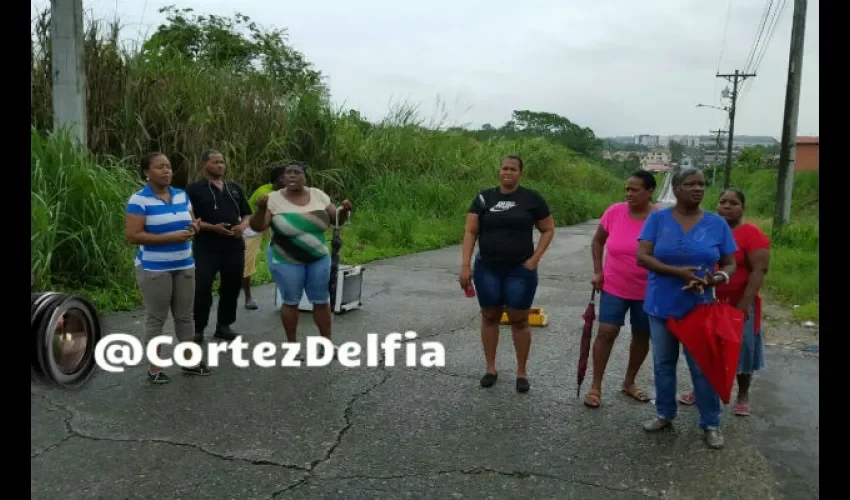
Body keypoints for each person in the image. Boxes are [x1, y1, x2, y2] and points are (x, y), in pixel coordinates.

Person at [636, 167, 737, 449]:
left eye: (702, 184)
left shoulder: (717, 224)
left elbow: (730, 263)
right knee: (663, 363)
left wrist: (715, 277)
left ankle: (710, 423)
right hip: (662, 305)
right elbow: (642, 257)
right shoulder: (658, 219)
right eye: (690, 184)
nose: (698, 189)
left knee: (703, 367)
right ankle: (665, 413)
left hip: (700, 306)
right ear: (676, 188)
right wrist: (677, 272)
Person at [459, 155, 555, 393]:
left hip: (519, 270)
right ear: (499, 171)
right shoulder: (484, 198)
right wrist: (465, 266)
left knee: (519, 320)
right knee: (490, 316)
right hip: (487, 269)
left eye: (513, 169)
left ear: (520, 173)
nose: (508, 172)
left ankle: (521, 373)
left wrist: (534, 260)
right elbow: (471, 232)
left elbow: (548, 229)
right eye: (504, 168)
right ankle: (490, 369)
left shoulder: (531, 198)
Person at [677, 188, 770, 417]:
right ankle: (701, 391)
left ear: (743, 208)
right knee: (706, 348)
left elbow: (759, 270)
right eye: (723, 202)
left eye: (733, 203)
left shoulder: (752, 234)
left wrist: (745, 304)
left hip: (739, 302)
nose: (727, 206)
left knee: (743, 349)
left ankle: (743, 395)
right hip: (707, 301)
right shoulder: (709, 230)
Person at [249, 161, 352, 356]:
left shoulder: (318, 195)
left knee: (321, 301)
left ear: (305, 176)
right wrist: (261, 209)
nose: (291, 176)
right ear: (282, 178)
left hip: (318, 257)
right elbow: (257, 226)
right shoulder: (272, 199)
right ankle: (292, 347)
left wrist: (344, 211)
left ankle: (327, 344)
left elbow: (335, 220)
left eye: (296, 172)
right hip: (285, 258)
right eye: (287, 173)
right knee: (291, 301)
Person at [124, 152, 211, 383]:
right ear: (146, 172)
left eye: (169, 167)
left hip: (184, 264)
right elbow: (133, 236)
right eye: (160, 167)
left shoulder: (181, 195)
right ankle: (155, 368)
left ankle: (190, 362)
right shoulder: (139, 200)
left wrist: (195, 227)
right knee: (156, 317)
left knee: (185, 316)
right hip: (154, 268)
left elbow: (192, 222)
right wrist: (170, 237)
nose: (167, 171)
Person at [584, 170, 657, 408]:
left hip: (648, 288)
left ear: (649, 192)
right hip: (615, 284)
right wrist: (598, 270)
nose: (628, 193)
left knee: (641, 334)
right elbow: (598, 240)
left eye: (634, 189)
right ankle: (596, 386)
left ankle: (629, 382)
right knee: (606, 330)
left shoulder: (660, 217)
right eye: (627, 188)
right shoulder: (615, 212)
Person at [185, 149, 253, 342]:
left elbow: (247, 214)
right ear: (204, 165)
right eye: (215, 162)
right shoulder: (194, 189)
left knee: (231, 285)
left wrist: (242, 226)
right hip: (207, 245)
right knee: (202, 286)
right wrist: (212, 227)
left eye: (222, 162)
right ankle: (197, 329)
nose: (220, 165)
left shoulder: (235, 188)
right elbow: (190, 218)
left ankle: (224, 325)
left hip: (233, 244)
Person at [241, 166, 284, 310]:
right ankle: (248, 297)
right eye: (286, 176)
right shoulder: (265, 193)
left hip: (267, 225)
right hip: (250, 228)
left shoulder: (282, 192)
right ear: (277, 180)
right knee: (247, 263)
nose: (291, 178)